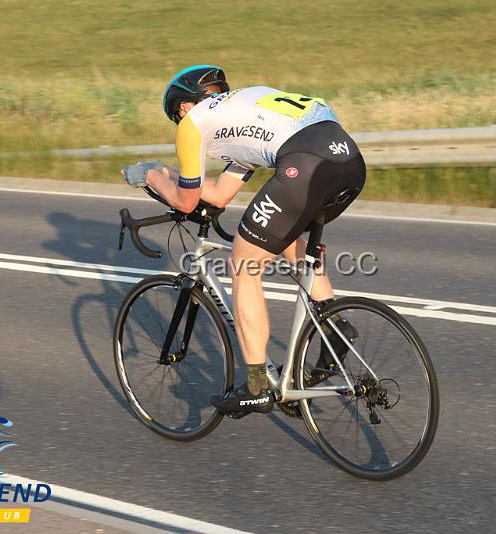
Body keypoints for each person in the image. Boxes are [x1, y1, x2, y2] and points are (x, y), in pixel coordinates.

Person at [122, 65, 365, 415]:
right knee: (285, 238)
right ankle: (336, 328)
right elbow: (220, 194)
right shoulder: (247, 110)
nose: (181, 120)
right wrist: (169, 175)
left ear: (185, 106)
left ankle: (256, 386)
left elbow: (188, 202)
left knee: (244, 264)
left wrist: (148, 175)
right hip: (348, 160)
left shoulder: (193, 123)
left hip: (305, 163)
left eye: (177, 114)